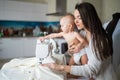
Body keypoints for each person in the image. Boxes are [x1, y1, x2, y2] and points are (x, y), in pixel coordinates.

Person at [42, 2, 117, 80]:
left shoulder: (99, 40)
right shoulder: (82, 33)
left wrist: (60, 67)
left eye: (79, 18)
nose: (75, 21)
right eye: (75, 18)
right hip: (89, 76)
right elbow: (78, 55)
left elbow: (92, 70)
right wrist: (71, 51)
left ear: (88, 18)